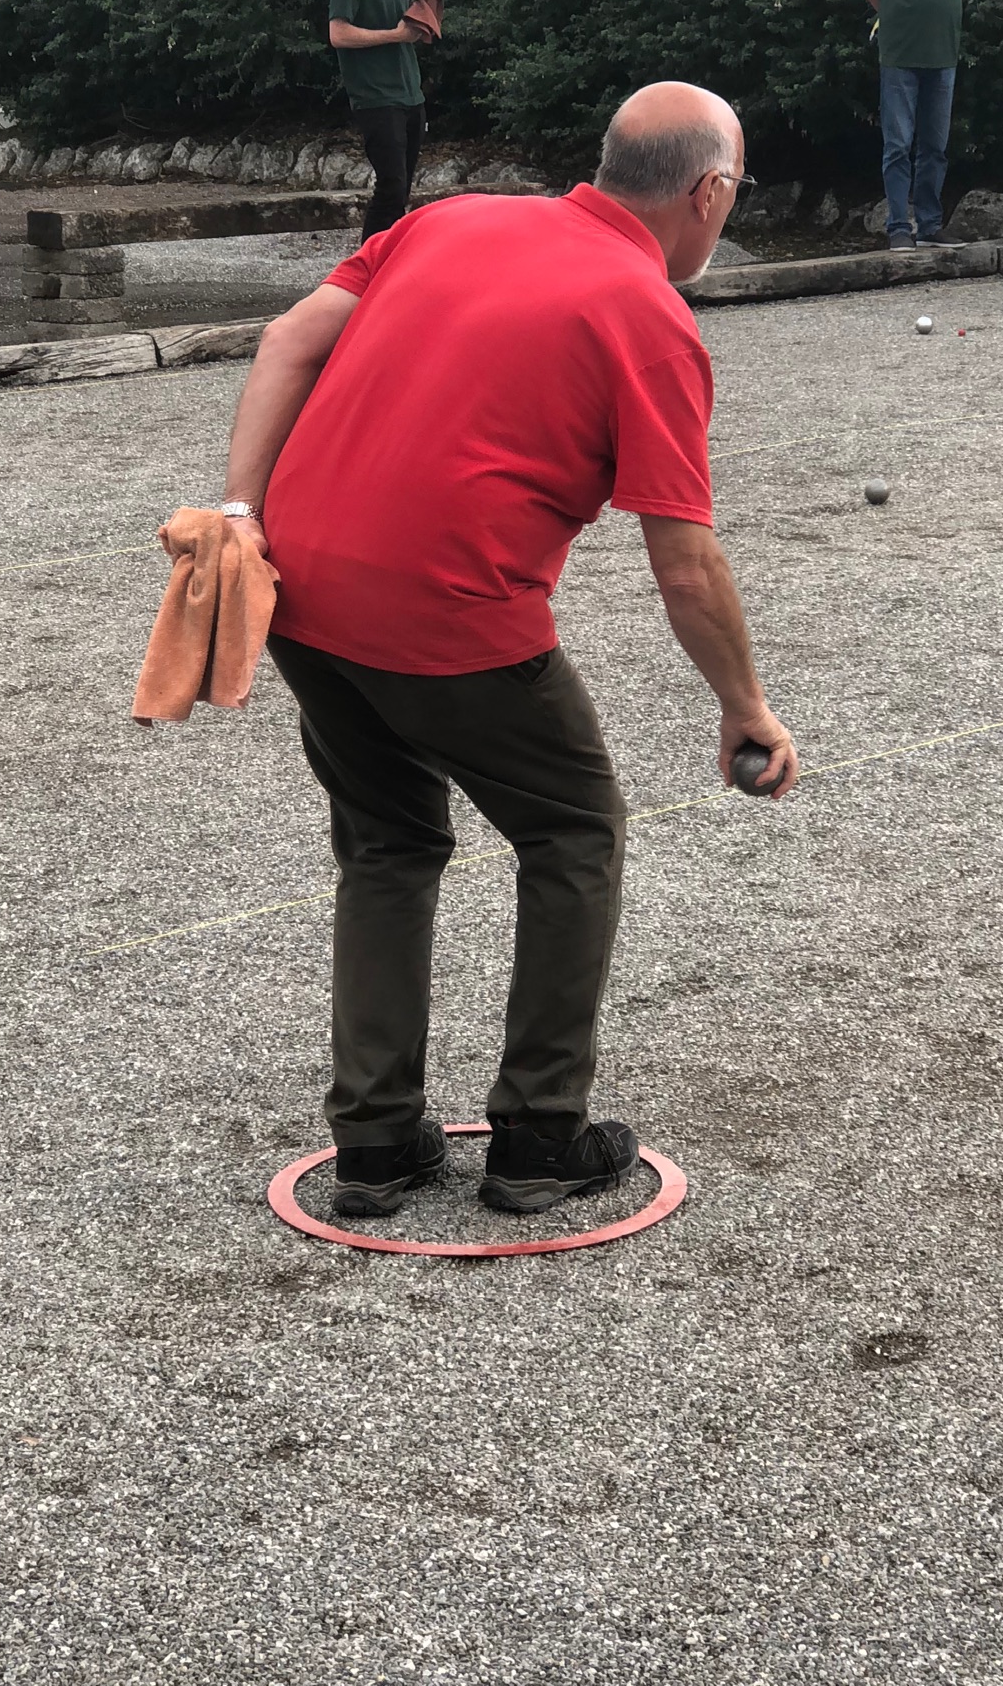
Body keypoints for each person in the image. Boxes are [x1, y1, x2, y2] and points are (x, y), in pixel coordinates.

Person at [217, 82, 799, 1218]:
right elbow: (685, 566)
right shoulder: (649, 315)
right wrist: (747, 705)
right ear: (710, 192)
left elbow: (287, 339)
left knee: (388, 845)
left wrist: (241, 513)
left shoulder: (447, 218)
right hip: (452, 618)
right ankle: (539, 1134)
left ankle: (376, 1144)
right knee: (574, 830)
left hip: (301, 595)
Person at [860, 0, 978, 250]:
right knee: (898, 145)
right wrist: (897, 17)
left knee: (935, 146)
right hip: (899, 56)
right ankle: (898, 227)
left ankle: (929, 224)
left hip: (943, 55)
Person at [327, 0, 430, 239]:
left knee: (401, 192)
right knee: (390, 188)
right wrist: (395, 35)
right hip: (375, 95)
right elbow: (338, 34)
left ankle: (390, 263)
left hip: (410, 93)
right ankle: (367, 267)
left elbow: (401, 21)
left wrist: (422, 24)